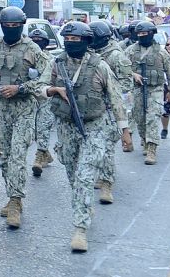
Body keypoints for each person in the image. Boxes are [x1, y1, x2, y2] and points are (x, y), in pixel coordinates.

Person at [46, 22, 127, 252]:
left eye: (76, 39)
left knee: (84, 175)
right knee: (72, 172)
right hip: (65, 126)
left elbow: (115, 97)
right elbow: (40, 86)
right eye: (68, 39)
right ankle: (84, 203)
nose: (72, 43)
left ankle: (80, 228)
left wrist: (125, 130)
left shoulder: (99, 66)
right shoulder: (57, 63)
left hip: (95, 126)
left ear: (87, 41)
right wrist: (54, 90)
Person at [0, 6, 51, 229]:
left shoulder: (32, 48)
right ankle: (11, 194)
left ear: (22, 26)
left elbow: (47, 75)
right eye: (7, 26)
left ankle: (16, 201)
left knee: (17, 155)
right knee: (5, 157)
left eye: (15, 26)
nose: (11, 29)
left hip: (24, 109)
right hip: (0, 111)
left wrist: (21, 88)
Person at [88, 20, 133, 204]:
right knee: (94, 147)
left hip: (109, 109)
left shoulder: (115, 56)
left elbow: (126, 84)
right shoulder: (90, 54)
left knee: (106, 148)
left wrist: (106, 91)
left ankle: (107, 183)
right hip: (92, 108)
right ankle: (101, 174)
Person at [125, 21, 170, 165]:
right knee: (139, 118)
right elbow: (121, 68)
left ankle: (152, 148)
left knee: (152, 117)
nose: (142, 36)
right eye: (139, 34)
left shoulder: (161, 52)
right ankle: (144, 139)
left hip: (155, 89)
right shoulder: (130, 51)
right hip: (137, 89)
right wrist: (133, 74)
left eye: (144, 34)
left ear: (151, 34)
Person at [28, 29, 56, 177]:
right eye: (33, 40)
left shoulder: (51, 60)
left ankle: (39, 156)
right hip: (28, 98)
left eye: (40, 40)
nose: (37, 43)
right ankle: (46, 153)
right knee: (33, 129)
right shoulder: (25, 57)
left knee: (43, 126)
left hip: (46, 98)